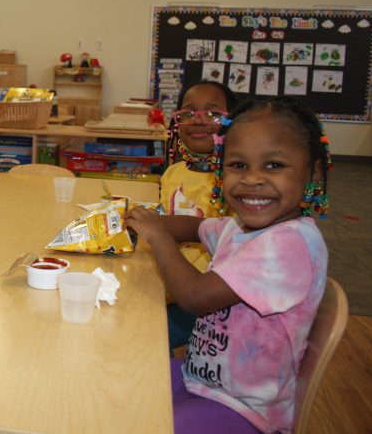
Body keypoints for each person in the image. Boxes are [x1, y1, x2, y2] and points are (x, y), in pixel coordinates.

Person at [125, 96, 331, 433]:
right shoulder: (241, 227)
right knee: (118, 382)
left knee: (145, 422)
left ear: (313, 172)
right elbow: (194, 227)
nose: (252, 179)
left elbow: (195, 296)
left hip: (244, 410)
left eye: (274, 166)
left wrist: (158, 238)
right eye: (238, 165)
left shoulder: (288, 243)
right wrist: (144, 220)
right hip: (201, 381)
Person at [162, 81, 240, 350]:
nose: (199, 121)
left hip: (204, 300)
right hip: (166, 282)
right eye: (189, 112)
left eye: (213, 114)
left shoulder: (235, 182)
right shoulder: (173, 173)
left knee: (138, 331)